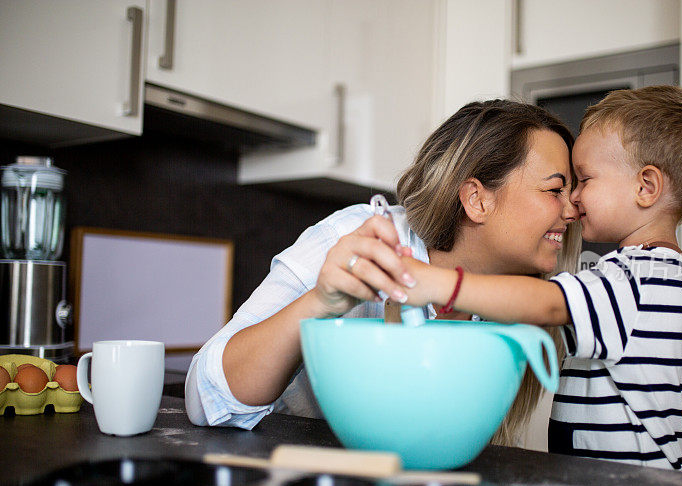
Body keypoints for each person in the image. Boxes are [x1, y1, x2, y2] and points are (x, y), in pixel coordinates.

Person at [185, 100, 583, 446]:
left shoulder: (521, 296)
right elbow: (205, 398)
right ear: (477, 199)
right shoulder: (355, 240)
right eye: (554, 190)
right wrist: (321, 302)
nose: (572, 209)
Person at [379, 86, 682, 470]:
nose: (573, 201)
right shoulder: (654, 274)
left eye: (584, 180)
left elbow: (545, 302)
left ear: (645, 187)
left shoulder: (634, 280)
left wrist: (440, 284)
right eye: (561, 187)